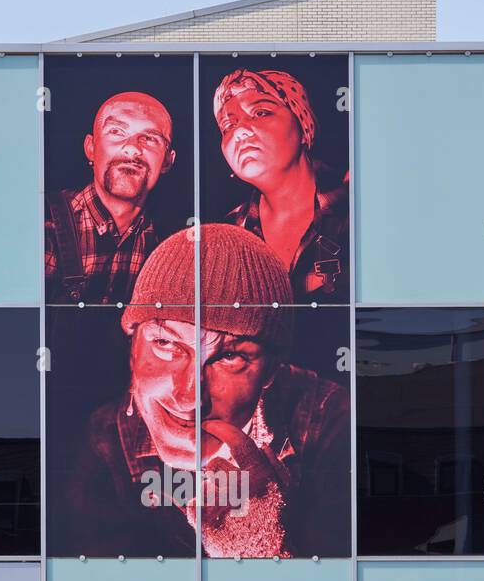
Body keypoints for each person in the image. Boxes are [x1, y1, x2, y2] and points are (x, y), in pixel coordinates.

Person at [60, 225, 350, 560]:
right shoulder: (105, 439)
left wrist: (264, 550)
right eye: (165, 344)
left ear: (270, 371)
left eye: (230, 357)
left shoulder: (334, 427)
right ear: (132, 348)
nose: (189, 397)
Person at [213, 67, 349, 303]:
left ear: (303, 126)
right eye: (228, 126)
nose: (241, 131)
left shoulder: (357, 205)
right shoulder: (226, 237)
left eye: (261, 112)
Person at [45, 91, 177, 304]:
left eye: (150, 138)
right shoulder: (42, 226)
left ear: (167, 162)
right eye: (117, 131)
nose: (133, 148)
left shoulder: (174, 248)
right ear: (91, 148)